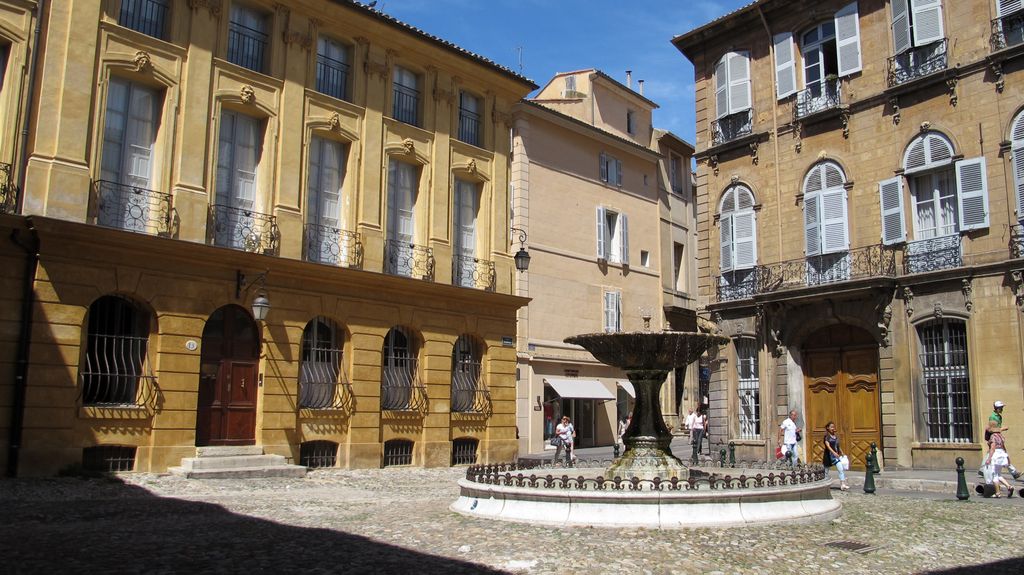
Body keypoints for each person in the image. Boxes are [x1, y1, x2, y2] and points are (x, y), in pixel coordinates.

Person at [979, 400, 1021, 480]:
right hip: (994, 437)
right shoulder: (993, 417)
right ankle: (1014, 472)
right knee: (1003, 454)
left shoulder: (999, 416)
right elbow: (991, 430)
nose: (1002, 409)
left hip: (997, 436)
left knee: (992, 453)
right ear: (997, 408)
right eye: (1001, 408)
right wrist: (1002, 429)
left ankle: (981, 470)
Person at [985, 427, 1015, 498]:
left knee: (994, 474)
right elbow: (1004, 448)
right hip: (1002, 454)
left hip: (996, 455)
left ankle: (998, 493)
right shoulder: (1001, 436)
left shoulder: (993, 437)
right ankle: (1009, 486)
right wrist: (1007, 458)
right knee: (998, 474)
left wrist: (989, 458)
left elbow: (992, 448)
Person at [822, 421, 849, 491]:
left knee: (840, 469)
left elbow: (838, 445)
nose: (833, 428)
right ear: (828, 428)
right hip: (828, 456)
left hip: (836, 457)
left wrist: (841, 452)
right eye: (831, 427)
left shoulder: (835, 436)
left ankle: (843, 484)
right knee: (826, 471)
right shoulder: (826, 437)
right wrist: (833, 452)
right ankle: (824, 484)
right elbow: (828, 446)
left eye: (833, 427)